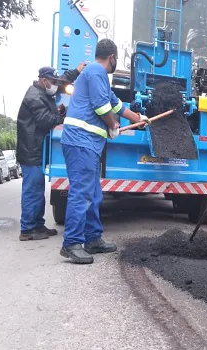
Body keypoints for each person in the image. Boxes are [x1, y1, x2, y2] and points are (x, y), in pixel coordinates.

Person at [59, 38, 149, 264]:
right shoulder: (96, 72)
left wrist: (138, 119)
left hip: (86, 144)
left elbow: (116, 105)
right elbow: (102, 108)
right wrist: (112, 125)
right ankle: (71, 243)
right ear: (112, 57)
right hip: (81, 142)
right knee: (81, 192)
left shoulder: (95, 76)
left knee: (93, 193)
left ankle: (93, 239)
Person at [16, 64, 83, 241]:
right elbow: (45, 120)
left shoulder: (41, 92)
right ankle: (27, 229)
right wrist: (63, 116)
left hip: (36, 150)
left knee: (38, 190)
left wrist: (76, 71)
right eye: (52, 81)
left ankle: (38, 225)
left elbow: (61, 82)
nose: (55, 84)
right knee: (32, 191)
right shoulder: (34, 97)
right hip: (31, 152)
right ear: (43, 80)